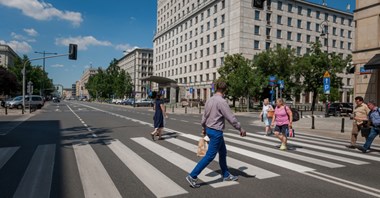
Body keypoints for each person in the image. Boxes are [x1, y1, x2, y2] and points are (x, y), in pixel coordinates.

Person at [185, 81, 247, 188]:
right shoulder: (222, 102)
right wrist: (240, 128)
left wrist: (204, 128)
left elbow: (204, 116)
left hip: (209, 129)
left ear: (216, 88)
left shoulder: (210, 100)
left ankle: (226, 174)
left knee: (223, 152)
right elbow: (231, 118)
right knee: (210, 156)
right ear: (225, 90)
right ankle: (192, 175)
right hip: (216, 131)